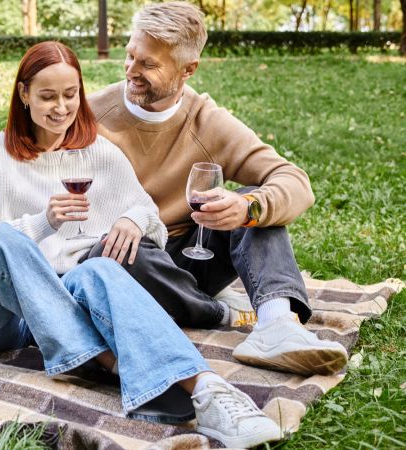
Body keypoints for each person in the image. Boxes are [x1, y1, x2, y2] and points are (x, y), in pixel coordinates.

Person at [0, 41, 281, 448]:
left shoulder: (100, 154)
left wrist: (131, 218)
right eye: (47, 96)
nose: (61, 107)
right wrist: (42, 223)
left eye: (70, 95)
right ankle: (114, 362)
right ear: (23, 94)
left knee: (102, 269)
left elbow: (148, 214)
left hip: (59, 304)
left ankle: (211, 392)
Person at [86, 2, 347, 376]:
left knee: (254, 202)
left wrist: (249, 209)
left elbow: (294, 182)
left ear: (188, 69)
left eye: (149, 64)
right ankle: (219, 312)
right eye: (130, 56)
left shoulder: (208, 121)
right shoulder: (89, 114)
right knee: (110, 253)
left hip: (195, 257)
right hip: (126, 259)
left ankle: (276, 326)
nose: (131, 70)